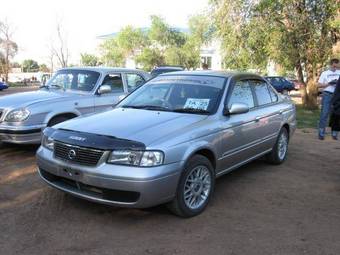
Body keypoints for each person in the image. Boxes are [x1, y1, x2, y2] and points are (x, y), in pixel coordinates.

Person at [317, 58, 340, 140]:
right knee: (324, 114)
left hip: (337, 96)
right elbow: (318, 85)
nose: (337, 66)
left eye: (338, 64)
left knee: (336, 115)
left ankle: (334, 133)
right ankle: (321, 133)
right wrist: (329, 83)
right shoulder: (325, 73)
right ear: (332, 64)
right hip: (327, 95)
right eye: (336, 64)